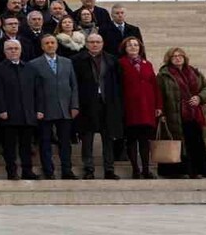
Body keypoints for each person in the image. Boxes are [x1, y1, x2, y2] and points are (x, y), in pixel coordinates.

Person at [72, 32, 124, 180]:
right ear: (86, 44)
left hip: (107, 104)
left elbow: (118, 84)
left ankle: (109, 169)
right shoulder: (77, 60)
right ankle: (89, 169)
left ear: (102, 44)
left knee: (108, 139)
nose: (95, 44)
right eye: (91, 42)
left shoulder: (112, 60)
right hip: (87, 104)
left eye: (98, 42)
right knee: (87, 138)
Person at [158, 47, 206, 179]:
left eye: (180, 56)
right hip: (175, 116)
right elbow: (159, 95)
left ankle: (200, 170)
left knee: (197, 143)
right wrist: (161, 113)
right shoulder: (163, 75)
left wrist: (199, 97)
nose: (177, 58)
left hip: (196, 115)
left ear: (184, 58)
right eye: (174, 56)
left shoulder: (194, 72)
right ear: (169, 59)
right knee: (183, 144)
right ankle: (182, 171)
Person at [30, 34, 79, 179]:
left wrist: (74, 106)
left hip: (65, 108)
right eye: (47, 43)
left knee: (65, 142)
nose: (50, 45)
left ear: (57, 45)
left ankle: (67, 170)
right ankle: (48, 170)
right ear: (42, 46)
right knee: (45, 142)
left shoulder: (67, 62)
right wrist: (37, 109)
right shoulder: (34, 64)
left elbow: (73, 85)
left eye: (52, 42)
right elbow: (32, 89)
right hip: (44, 109)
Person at [0, 39, 38, 179]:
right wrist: (2, 109)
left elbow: (36, 91)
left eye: (16, 48)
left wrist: (38, 110)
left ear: (20, 50)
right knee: (9, 147)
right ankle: (11, 172)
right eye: (10, 49)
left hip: (27, 113)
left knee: (26, 146)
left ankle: (27, 171)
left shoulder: (29, 68)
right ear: (4, 51)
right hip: (9, 114)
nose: (13, 51)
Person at [118, 36, 162, 179]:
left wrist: (158, 105)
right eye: (129, 45)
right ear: (125, 48)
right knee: (132, 140)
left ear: (140, 48)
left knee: (144, 140)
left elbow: (154, 85)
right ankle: (135, 170)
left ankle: (146, 169)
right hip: (130, 107)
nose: (133, 47)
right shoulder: (120, 63)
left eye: (136, 45)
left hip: (147, 108)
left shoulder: (147, 64)